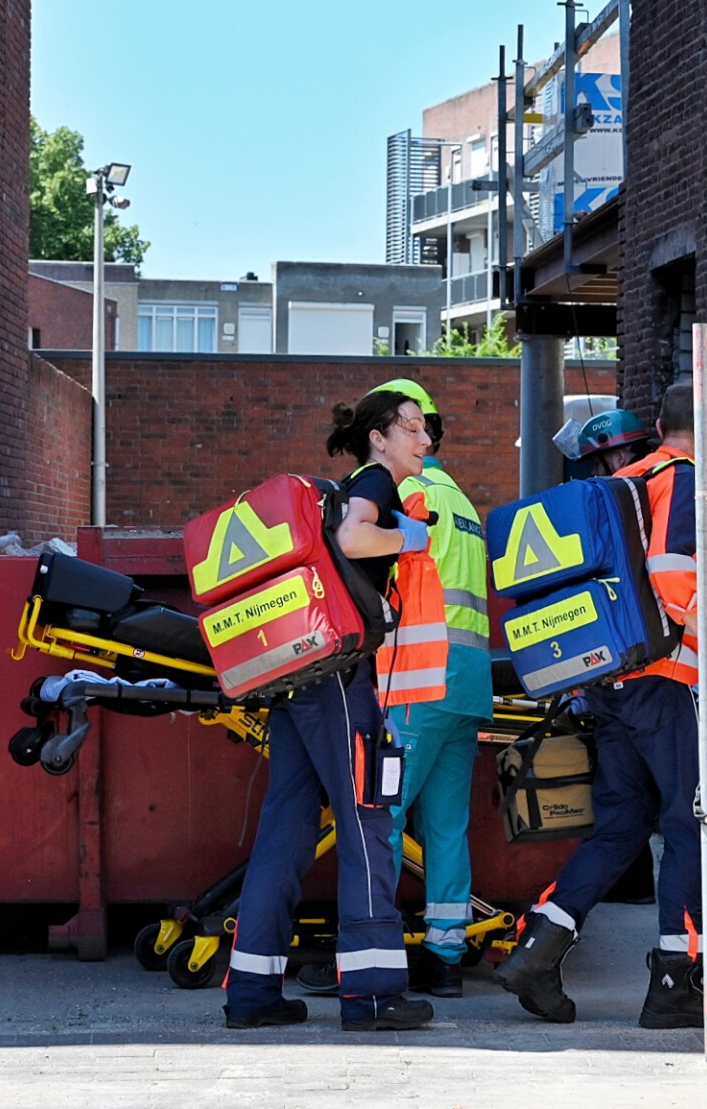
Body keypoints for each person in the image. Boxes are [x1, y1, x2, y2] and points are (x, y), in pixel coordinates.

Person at [494, 381, 707, 1029]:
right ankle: (674, 981)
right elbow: (670, 568)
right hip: (666, 683)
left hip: (611, 683)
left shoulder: (622, 482)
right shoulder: (685, 478)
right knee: (693, 823)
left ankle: (538, 948)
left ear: (661, 423)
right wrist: (688, 631)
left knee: (622, 827)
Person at [221, 389, 437, 1033]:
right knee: (367, 819)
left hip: (301, 678)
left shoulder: (354, 482)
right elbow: (354, 536)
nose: (425, 440)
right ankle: (372, 996)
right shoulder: (375, 482)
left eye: (427, 430)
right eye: (413, 428)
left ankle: (252, 994)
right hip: (339, 680)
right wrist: (412, 535)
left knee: (285, 831)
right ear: (379, 436)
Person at [299, 379, 493, 999]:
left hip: (416, 676)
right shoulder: (461, 498)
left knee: (380, 817)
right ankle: (444, 957)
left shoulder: (404, 489)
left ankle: (367, 950)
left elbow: (367, 554)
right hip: (468, 684)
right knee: (446, 827)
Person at [574, 408, 656, 478]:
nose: (593, 472)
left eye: (597, 464)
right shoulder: (654, 475)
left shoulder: (626, 494)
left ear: (620, 458)